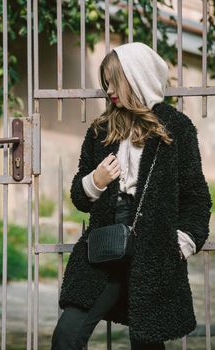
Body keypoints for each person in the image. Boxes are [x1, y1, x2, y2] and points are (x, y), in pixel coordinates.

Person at [51, 42, 212, 350]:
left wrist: (181, 244)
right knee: (67, 335)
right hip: (105, 247)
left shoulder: (176, 128)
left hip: (154, 249)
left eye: (115, 80)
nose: (109, 90)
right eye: (106, 82)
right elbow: (79, 198)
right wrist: (94, 182)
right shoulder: (101, 130)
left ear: (136, 77)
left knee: (147, 342)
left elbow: (196, 197)